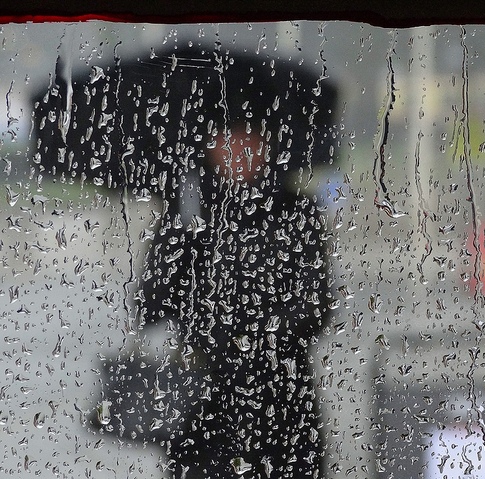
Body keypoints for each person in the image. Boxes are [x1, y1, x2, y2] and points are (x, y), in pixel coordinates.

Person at [33, 45, 338, 479]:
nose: (239, 151)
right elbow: (152, 303)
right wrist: (181, 240)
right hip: (202, 408)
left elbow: (316, 307)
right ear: (209, 146)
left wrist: (243, 334)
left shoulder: (297, 214)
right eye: (227, 139)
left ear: (268, 145)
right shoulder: (186, 214)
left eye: (249, 138)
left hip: (280, 406)